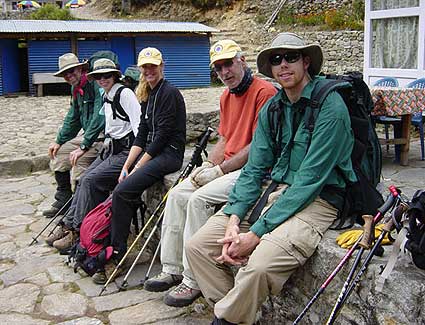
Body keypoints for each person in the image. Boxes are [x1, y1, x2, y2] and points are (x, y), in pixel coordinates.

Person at [185, 32, 357, 325]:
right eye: (276, 59)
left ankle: (226, 319)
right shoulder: (273, 108)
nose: (283, 65)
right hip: (273, 188)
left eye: (291, 57)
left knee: (259, 267)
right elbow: (255, 168)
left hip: (318, 198)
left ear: (305, 62)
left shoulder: (331, 107)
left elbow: (310, 180)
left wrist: (255, 234)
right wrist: (235, 218)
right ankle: (236, 313)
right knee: (197, 247)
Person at [143, 40, 277, 308]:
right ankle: (172, 267)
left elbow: (259, 146)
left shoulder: (265, 92)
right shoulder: (227, 95)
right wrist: (208, 165)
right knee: (178, 192)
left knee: (199, 199)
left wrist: (219, 170)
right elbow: (225, 139)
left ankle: (193, 280)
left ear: (242, 61)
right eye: (218, 68)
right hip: (229, 167)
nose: (224, 72)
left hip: (254, 171)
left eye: (228, 64)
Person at [91, 47, 187, 284]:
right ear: (140, 69)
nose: (149, 70)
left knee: (123, 191)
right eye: (145, 67)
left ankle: (117, 254)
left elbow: (162, 138)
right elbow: (142, 134)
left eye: (153, 66)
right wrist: (127, 165)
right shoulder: (148, 94)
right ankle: (111, 244)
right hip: (154, 153)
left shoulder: (169, 93)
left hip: (169, 154)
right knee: (122, 184)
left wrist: (135, 168)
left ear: (161, 66)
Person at [46, 58, 141, 251]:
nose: (102, 79)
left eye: (107, 75)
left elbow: (139, 130)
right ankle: (68, 224)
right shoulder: (106, 95)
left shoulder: (124, 94)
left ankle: (76, 230)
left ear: (115, 76)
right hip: (111, 147)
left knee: (89, 180)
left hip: (126, 151)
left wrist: (133, 162)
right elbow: (105, 127)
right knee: (84, 179)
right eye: (98, 76)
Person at [43, 53, 105, 218]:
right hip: (88, 136)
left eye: (72, 71)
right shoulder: (76, 89)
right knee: (59, 153)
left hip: (102, 137)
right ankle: (63, 198)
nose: (69, 76)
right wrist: (59, 140)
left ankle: (79, 207)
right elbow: (73, 117)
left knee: (78, 161)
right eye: (65, 73)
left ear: (80, 69)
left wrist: (84, 145)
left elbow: (100, 117)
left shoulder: (95, 84)